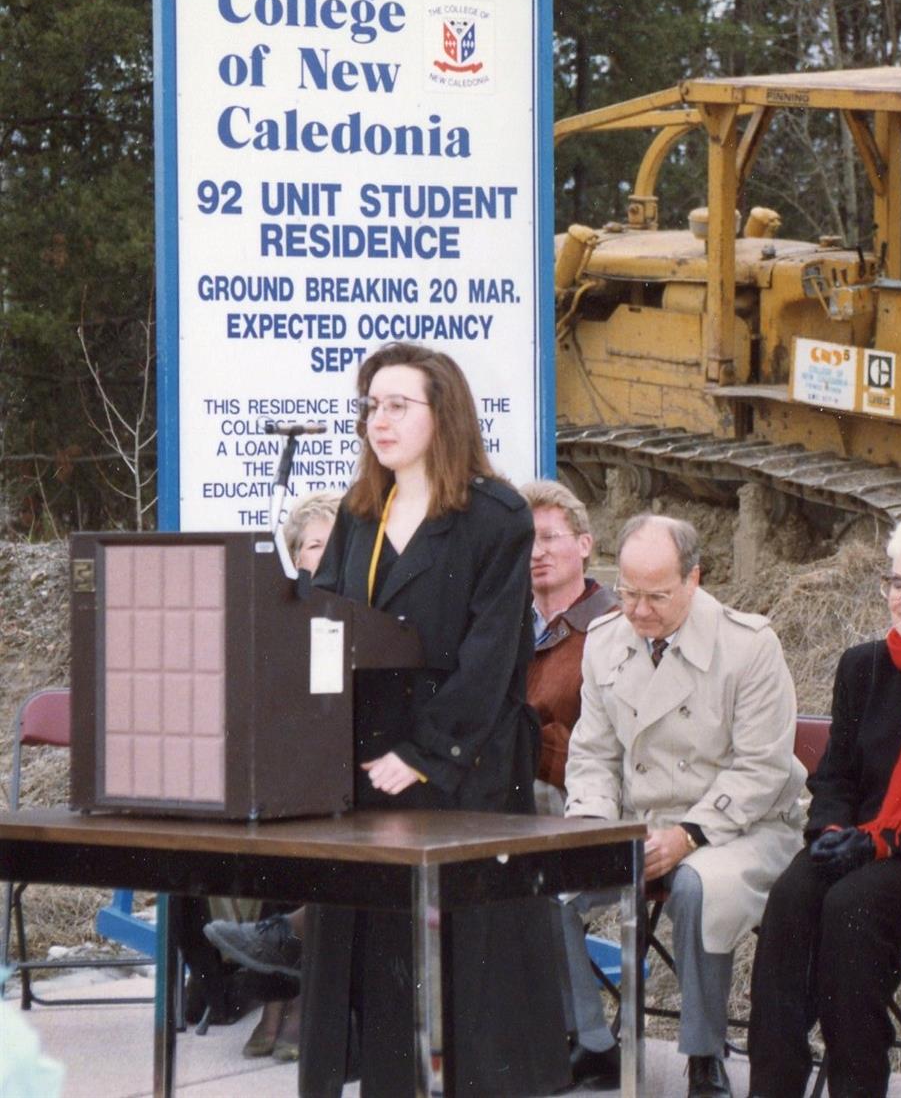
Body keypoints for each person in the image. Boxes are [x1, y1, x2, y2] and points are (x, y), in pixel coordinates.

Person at [298, 342, 570, 1096]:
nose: (377, 421)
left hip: (462, 767)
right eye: (370, 405)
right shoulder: (359, 513)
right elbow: (324, 621)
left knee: (465, 989)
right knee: (380, 973)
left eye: (396, 405)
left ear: (440, 412)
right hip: (367, 764)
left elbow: (494, 655)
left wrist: (425, 750)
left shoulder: (496, 515)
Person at [747, 511, 901, 1098]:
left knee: (853, 908)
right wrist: (832, 830)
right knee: (792, 896)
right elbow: (835, 775)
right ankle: (773, 1086)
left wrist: (884, 842)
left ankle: (857, 1088)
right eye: (896, 582)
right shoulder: (863, 666)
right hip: (868, 840)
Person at [563, 513, 805, 1097]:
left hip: (742, 827)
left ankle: (703, 1054)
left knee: (697, 886)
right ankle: (591, 1041)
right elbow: (592, 755)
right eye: (628, 592)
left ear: (694, 579)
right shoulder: (605, 641)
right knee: (552, 882)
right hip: (641, 827)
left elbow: (761, 767)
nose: (640, 610)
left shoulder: (748, 645)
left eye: (656, 596)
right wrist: (594, 827)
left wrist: (690, 833)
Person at [204, 489, 343, 1063]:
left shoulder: (361, 614)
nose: (326, 553)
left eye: (337, 543)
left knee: (309, 842)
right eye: (314, 543)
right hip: (293, 779)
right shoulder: (277, 618)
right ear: (294, 556)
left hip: (340, 785)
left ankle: (290, 1004)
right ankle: (276, 1000)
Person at [520, 478, 618, 816]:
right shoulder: (504, 626)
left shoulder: (614, 626)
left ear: (585, 544)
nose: (536, 552)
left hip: (574, 799)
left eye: (549, 537)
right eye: (526, 540)